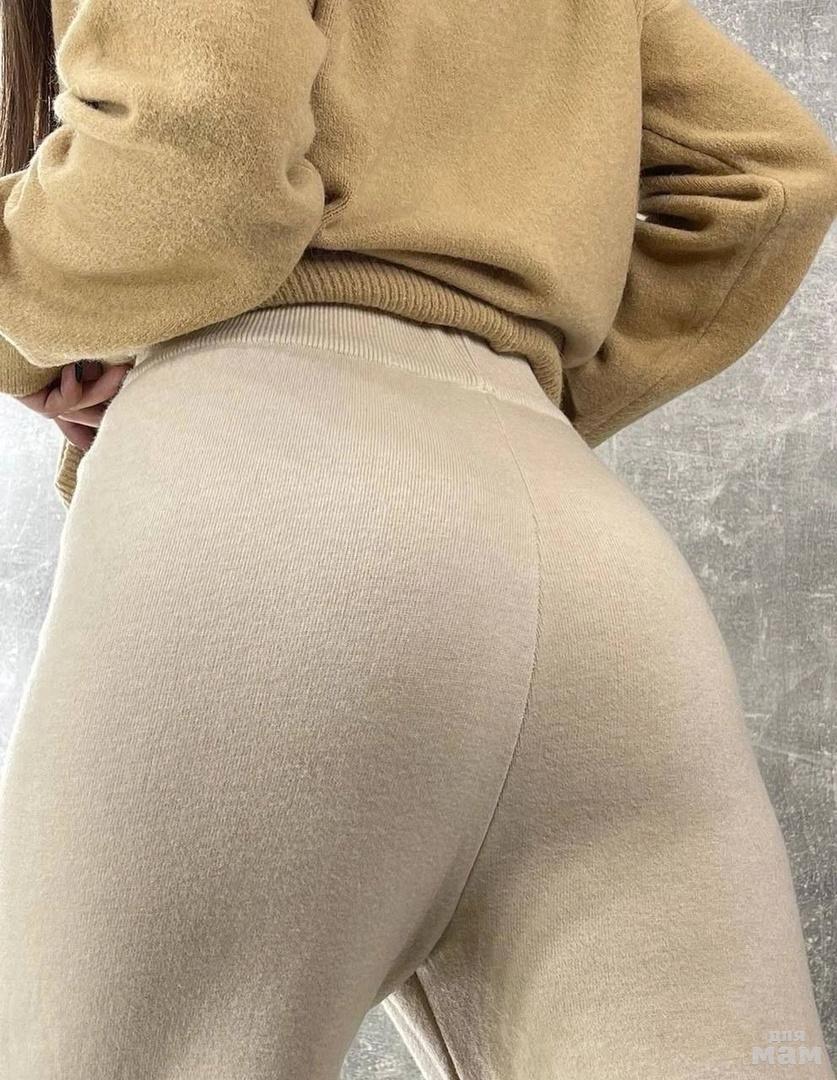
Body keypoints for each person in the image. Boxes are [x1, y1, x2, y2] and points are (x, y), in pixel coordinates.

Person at [1, 0, 835, 1076]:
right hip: (590, 560)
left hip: (271, 499)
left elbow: (192, 168)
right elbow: (769, 179)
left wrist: (30, 323)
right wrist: (499, 366)